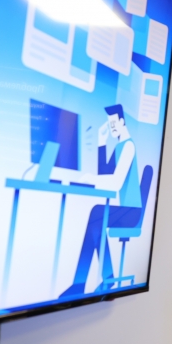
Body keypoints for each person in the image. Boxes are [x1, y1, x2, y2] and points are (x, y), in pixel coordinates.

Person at [61, 104, 142, 297]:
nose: (112, 127)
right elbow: (104, 173)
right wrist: (101, 141)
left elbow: (115, 182)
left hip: (132, 211)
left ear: (122, 121)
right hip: (124, 209)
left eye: (113, 124)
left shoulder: (129, 146)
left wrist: (91, 179)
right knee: (96, 218)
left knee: (97, 214)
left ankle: (88, 281)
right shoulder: (119, 147)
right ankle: (96, 279)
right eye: (109, 124)